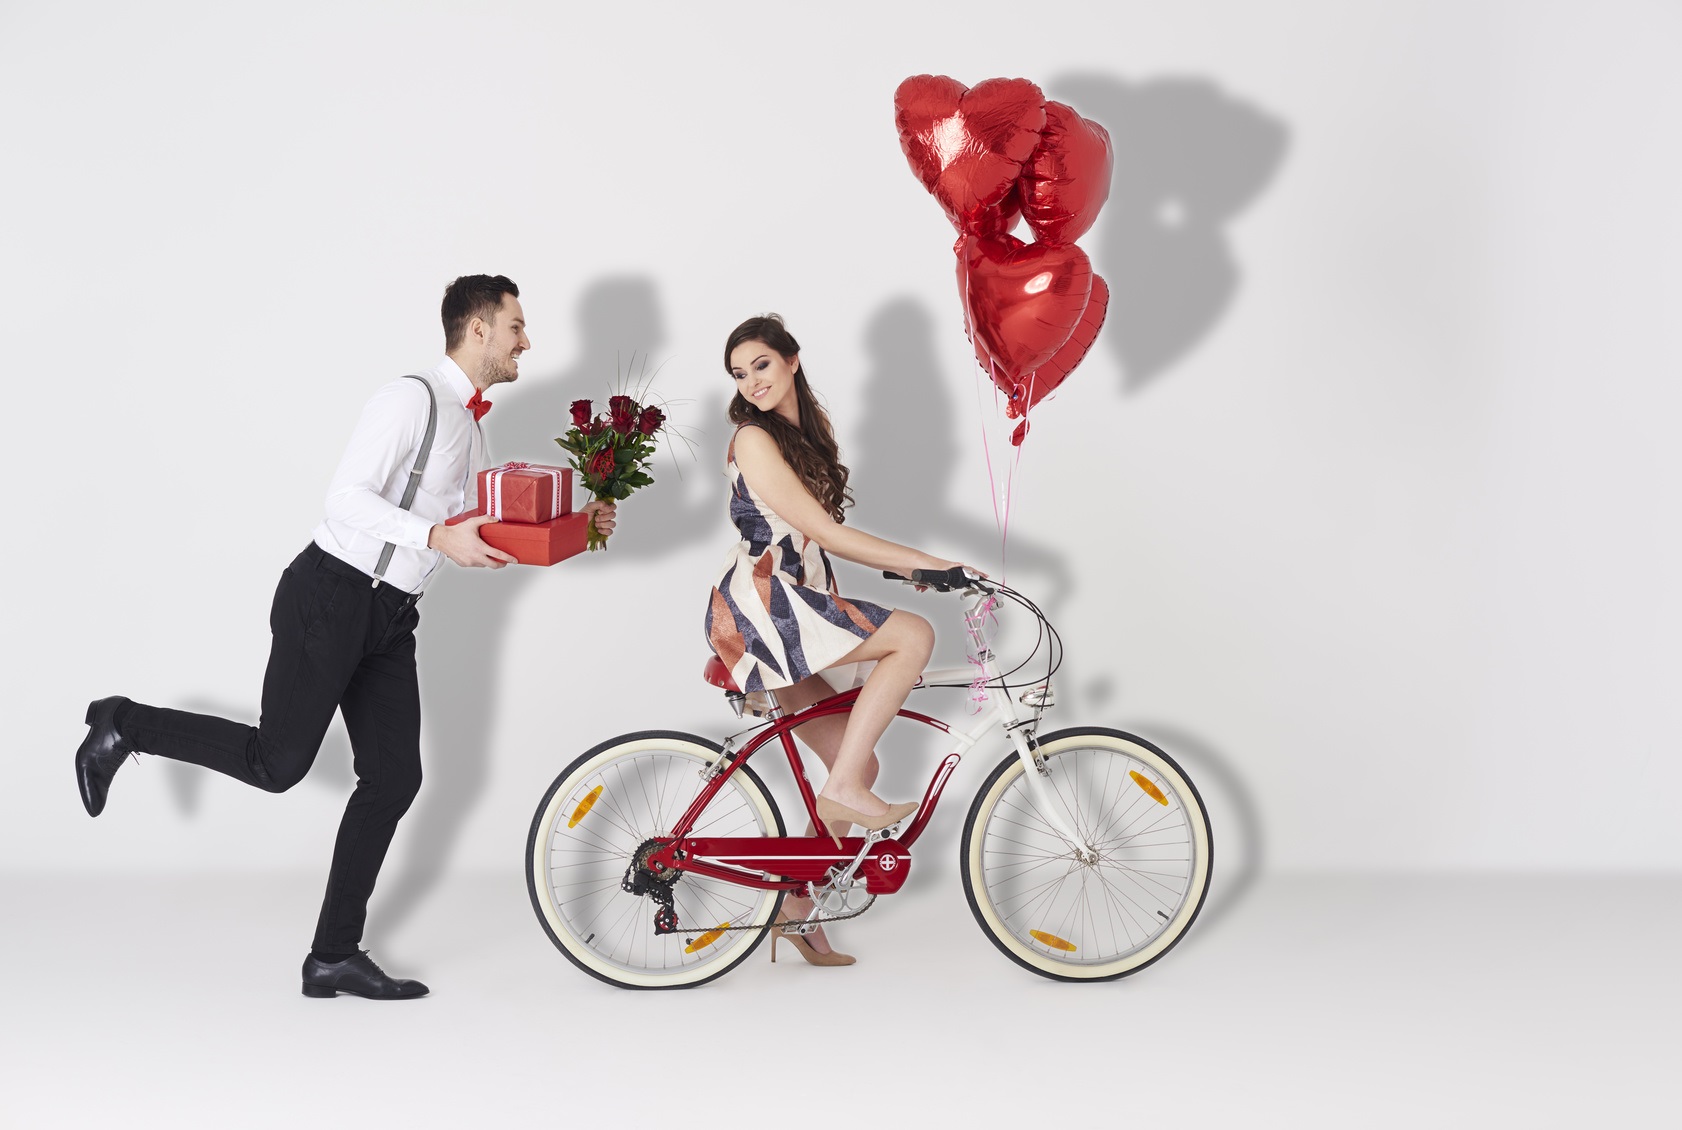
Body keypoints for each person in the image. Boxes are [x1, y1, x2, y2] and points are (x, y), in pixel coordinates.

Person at [73, 274, 617, 1000]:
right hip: (331, 593)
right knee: (278, 763)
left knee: (394, 777)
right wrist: (432, 534)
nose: (528, 340)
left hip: (391, 617)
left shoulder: (472, 426)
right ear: (478, 328)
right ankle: (122, 723)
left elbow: (480, 534)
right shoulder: (410, 399)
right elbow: (345, 498)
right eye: (518, 325)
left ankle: (333, 954)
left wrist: (584, 527)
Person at [703, 313, 973, 966]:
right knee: (911, 636)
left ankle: (796, 905)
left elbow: (819, 541)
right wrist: (927, 566)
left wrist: (921, 569)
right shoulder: (754, 440)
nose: (752, 380)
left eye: (761, 364)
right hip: (766, 606)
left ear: (792, 361)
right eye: (741, 373)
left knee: (862, 761)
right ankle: (843, 793)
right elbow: (826, 535)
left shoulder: (796, 436)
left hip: (791, 602)